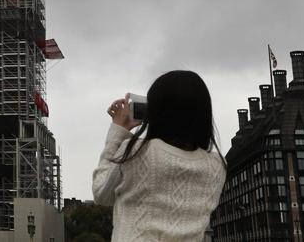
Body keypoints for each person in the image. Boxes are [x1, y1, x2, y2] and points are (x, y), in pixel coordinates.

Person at [92, 70, 226, 242]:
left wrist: (118, 131)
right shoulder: (217, 166)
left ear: (154, 111)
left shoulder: (137, 151)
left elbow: (101, 193)